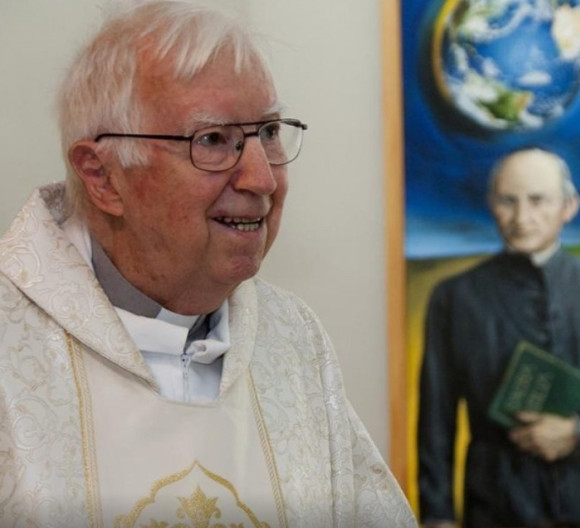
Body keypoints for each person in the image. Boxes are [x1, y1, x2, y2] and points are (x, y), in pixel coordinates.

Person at [0, 2, 415, 527]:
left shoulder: (292, 340)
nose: (263, 179)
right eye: (213, 140)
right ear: (102, 176)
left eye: (269, 132)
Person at [417, 148, 580, 528]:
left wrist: (579, 429)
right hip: (496, 503)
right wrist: (437, 515)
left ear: (568, 206)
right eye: (508, 201)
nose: (522, 217)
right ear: (491, 205)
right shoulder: (455, 297)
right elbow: (436, 418)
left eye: (538, 200)